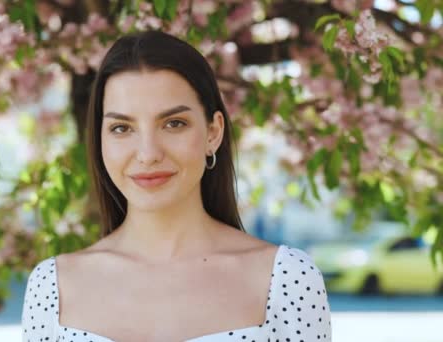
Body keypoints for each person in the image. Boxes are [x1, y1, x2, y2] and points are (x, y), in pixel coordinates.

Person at [22, 30, 331, 342]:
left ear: (213, 132)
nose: (148, 154)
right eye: (121, 128)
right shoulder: (53, 287)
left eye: (173, 124)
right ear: (99, 139)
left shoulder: (286, 279)